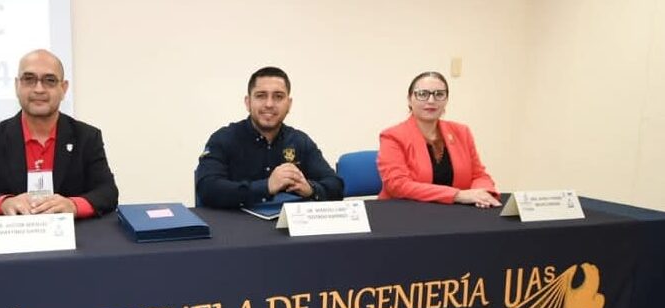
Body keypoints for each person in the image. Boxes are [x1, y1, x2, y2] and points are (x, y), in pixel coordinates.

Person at [0, 49, 118, 218]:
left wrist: (72, 205)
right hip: (13, 237)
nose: (39, 89)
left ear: (63, 88)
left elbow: (107, 193)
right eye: (29, 79)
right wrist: (5, 203)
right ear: (16, 85)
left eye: (49, 81)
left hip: (73, 238)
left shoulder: (87, 137)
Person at [195, 66, 343, 208]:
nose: (269, 104)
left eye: (278, 97)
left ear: (289, 104)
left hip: (287, 229)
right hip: (237, 229)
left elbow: (336, 185)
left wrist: (311, 189)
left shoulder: (300, 141)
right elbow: (207, 188)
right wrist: (266, 187)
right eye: (261, 96)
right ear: (248, 102)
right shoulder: (223, 138)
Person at [378, 71, 500, 208]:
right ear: (409, 99)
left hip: (455, 214)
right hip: (406, 212)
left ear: (446, 100)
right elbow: (397, 185)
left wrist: (482, 194)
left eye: (439, 94)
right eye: (422, 94)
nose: (431, 101)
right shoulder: (392, 136)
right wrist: (458, 195)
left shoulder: (462, 132)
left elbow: (479, 175)